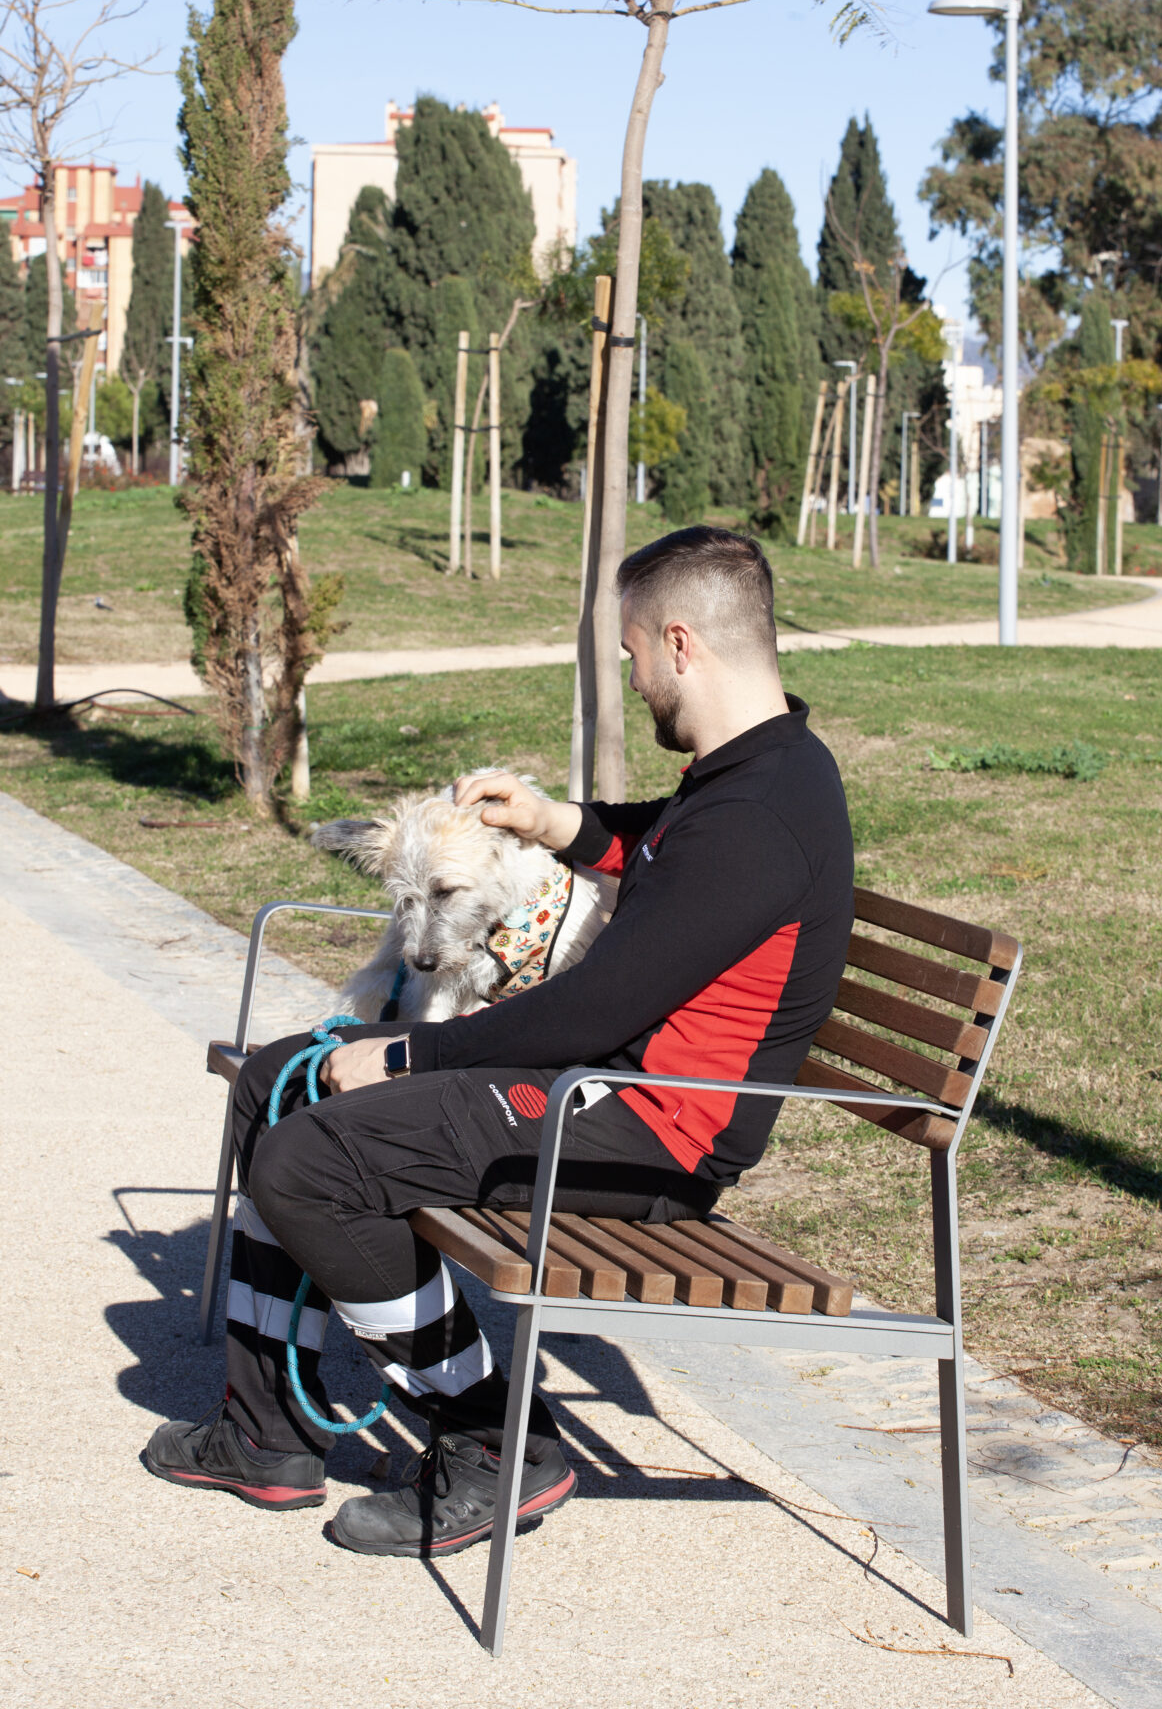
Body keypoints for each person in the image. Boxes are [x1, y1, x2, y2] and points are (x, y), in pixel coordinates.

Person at [145, 525, 854, 1558]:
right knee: (275, 1083)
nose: (631, 669)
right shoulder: (749, 774)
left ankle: (499, 1446)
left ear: (681, 643)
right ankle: (266, 1437)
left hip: (651, 1131)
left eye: (633, 649)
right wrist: (554, 820)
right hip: (599, 1090)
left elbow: (592, 1011)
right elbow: (659, 850)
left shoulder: (762, 815)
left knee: (310, 1159)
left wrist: (402, 1055)